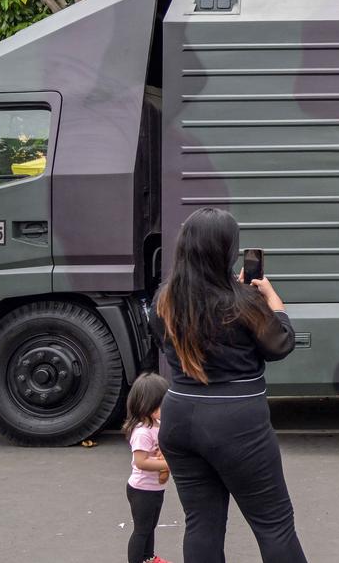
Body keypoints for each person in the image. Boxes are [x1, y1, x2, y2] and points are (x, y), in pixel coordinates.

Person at [154, 207, 308, 563]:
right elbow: (279, 344)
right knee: (275, 525)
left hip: (178, 414)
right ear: (225, 250)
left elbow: (172, 341)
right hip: (237, 423)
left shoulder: (164, 300)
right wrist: (275, 303)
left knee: (202, 524)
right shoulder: (244, 302)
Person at [122, 372, 172, 563]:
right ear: (146, 405)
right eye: (160, 404)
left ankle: (149, 558)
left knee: (150, 527)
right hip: (142, 490)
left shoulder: (157, 424)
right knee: (142, 530)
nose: (165, 408)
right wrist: (168, 463)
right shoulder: (142, 431)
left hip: (155, 488)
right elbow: (141, 462)